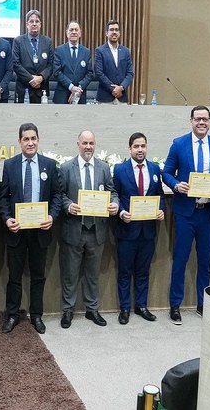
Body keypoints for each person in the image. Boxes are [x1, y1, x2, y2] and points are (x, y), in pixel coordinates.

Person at [162, 106, 210, 324]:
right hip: (185, 213)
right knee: (180, 260)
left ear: (209, 121)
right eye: (197, 119)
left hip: (207, 214)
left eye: (205, 119)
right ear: (191, 121)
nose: (201, 122)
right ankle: (175, 305)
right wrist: (176, 185)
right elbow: (166, 173)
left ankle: (203, 304)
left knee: (205, 261)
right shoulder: (179, 144)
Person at [0, 123, 61, 334]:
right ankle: (12, 315)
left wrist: (52, 216)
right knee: (14, 276)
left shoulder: (49, 165)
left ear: (38, 139)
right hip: (16, 231)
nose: (30, 142)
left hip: (40, 231)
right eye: (26, 139)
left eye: (33, 138)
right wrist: (7, 219)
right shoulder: (10, 165)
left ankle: (37, 316)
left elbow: (57, 196)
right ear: (19, 142)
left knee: (38, 276)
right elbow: (3, 198)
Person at [58, 130, 118, 328]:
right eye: (84, 143)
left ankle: (92, 310)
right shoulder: (67, 168)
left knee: (93, 274)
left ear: (95, 144)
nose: (88, 147)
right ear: (78, 144)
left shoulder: (104, 168)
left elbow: (112, 192)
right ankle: (67, 310)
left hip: (97, 230)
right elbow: (60, 195)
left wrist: (115, 204)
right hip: (74, 228)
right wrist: (68, 206)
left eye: (91, 143)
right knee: (70, 273)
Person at [113, 132, 165, 324]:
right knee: (125, 272)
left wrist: (160, 210)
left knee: (143, 271)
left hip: (148, 231)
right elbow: (114, 196)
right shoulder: (119, 170)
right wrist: (120, 212)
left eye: (143, 146)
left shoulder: (154, 169)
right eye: (136, 146)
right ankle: (125, 308)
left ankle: (141, 306)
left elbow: (159, 195)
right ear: (130, 148)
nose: (140, 149)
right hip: (127, 231)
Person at [12, 9, 54, 103]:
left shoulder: (48, 42)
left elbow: (51, 64)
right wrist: (31, 79)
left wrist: (41, 78)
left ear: (40, 24)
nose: (34, 24)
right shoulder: (18, 41)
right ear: (27, 25)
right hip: (23, 90)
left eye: (37, 21)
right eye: (31, 21)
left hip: (41, 90)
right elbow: (15, 64)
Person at [94, 19, 134, 103]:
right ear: (106, 33)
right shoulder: (100, 51)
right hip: (105, 98)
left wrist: (121, 87)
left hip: (122, 97)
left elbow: (130, 73)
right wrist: (113, 89)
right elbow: (99, 73)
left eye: (116, 30)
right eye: (111, 30)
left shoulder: (126, 51)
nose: (114, 32)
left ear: (119, 33)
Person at [52, 21, 92, 104]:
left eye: (76, 30)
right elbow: (57, 72)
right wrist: (71, 87)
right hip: (62, 96)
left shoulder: (86, 52)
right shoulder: (59, 50)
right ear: (67, 33)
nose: (74, 32)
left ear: (80, 33)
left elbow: (90, 73)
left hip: (80, 95)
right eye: (71, 30)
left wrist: (78, 89)